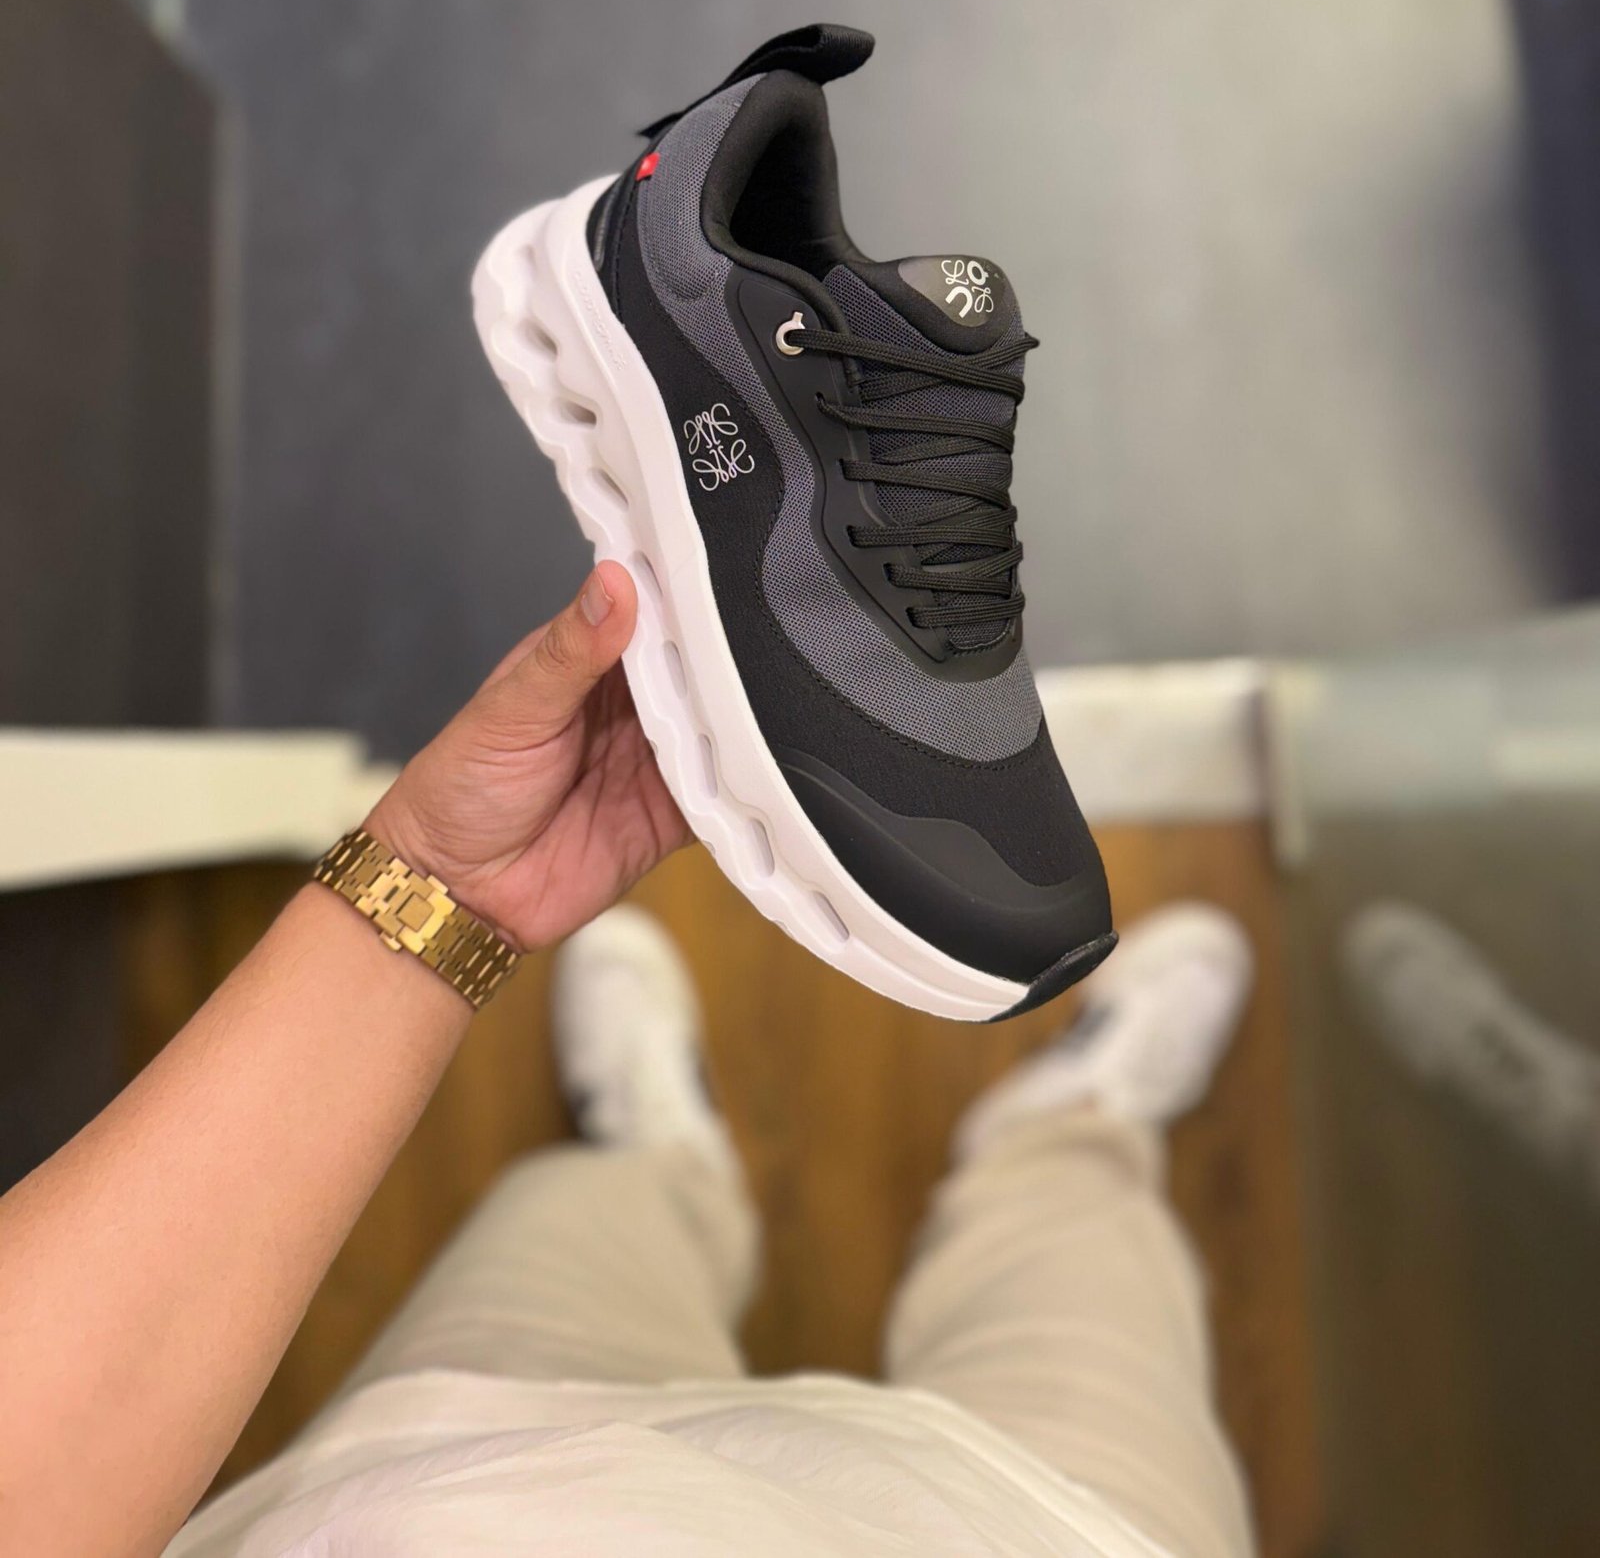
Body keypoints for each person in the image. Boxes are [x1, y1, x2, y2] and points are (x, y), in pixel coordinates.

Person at [0, 562, 1257, 1558]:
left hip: (463, 1471)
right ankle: (1074, 1124)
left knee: (587, 1215)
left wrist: (439, 895)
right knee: (1084, 1247)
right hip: (1054, 1529)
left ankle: (661, 1157)